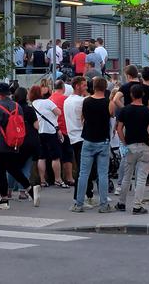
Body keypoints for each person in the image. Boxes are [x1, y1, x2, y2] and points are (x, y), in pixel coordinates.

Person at [0, 83, 41, 209]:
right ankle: (30, 189)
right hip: (15, 143)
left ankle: (4, 199)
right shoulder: (17, 106)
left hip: (1, 144)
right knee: (13, 169)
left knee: (0, 171)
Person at [71, 77, 115, 213]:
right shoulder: (109, 102)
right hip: (103, 140)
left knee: (83, 173)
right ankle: (103, 205)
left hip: (88, 139)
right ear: (105, 87)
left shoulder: (86, 101)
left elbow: (82, 119)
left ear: (93, 87)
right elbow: (112, 115)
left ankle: (79, 204)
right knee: (102, 174)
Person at [115, 84, 149, 215]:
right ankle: (137, 206)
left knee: (127, 177)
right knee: (141, 178)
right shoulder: (147, 112)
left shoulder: (125, 110)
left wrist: (124, 142)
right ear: (143, 96)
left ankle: (121, 203)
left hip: (130, 146)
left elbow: (119, 129)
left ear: (131, 95)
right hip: (144, 146)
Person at [65, 76, 96, 207]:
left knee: (83, 168)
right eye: (83, 85)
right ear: (77, 86)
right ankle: (79, 197)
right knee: (85, 170)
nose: (86, 87)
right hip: (83, 137)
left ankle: (87, 194)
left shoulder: (67, 101)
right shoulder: (82, 101)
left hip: (73, 137)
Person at [29, 85, 68, 188]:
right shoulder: (47, 102)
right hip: (50, 132)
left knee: (42, 157)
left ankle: (42, 180)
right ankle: (58, 179)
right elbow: (58, 112)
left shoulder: (32, 104)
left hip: (39, 132)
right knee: (55, 157)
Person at [8, 87, 41, 202]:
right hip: (29, 141)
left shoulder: (12, 108)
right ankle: (23, 191)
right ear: (25, 96)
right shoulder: (29, 109)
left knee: (12, 167)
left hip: (15, 141)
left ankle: (9, 191)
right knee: (26, 167)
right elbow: (37, 126)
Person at [49, 80, 74, 185]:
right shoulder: (66, 100)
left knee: (55, 156)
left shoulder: (49, 99)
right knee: (67, 156)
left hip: (53, 130)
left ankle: (56, 178)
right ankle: (69, 178)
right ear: (63, 88)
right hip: (64, 129)